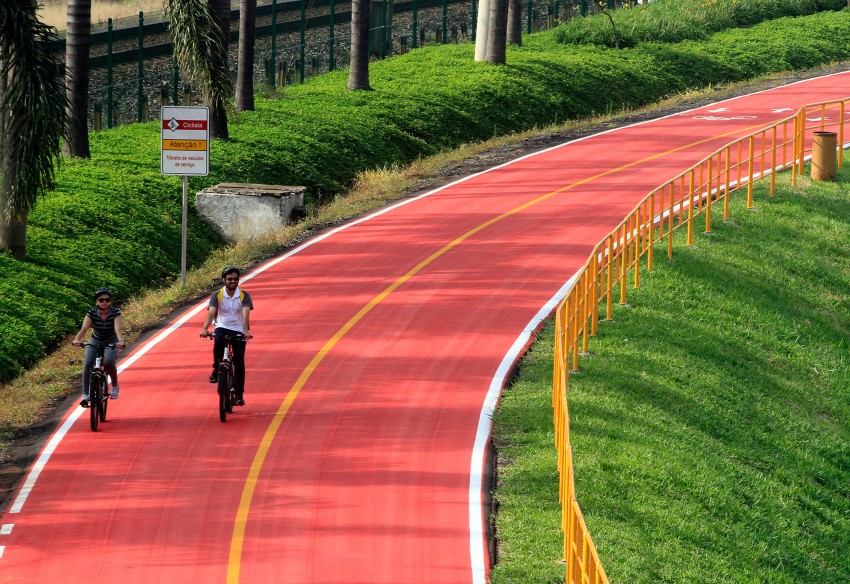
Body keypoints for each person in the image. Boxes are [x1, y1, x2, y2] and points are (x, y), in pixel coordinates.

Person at [200, 266, 253, 406]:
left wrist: (246, 330)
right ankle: (216, 368)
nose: (233, 281)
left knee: (239, 360)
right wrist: (205, 328)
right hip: (222, 327)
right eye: (229, 279)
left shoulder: (244, 296)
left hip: (238, 330)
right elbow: (211, 312)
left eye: (235, 279)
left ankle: (239, 393)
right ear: (224, 280)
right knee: (217, 342)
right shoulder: (217, 295)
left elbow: (245, 313)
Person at [72, 287, 125, 407]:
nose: (104, 302)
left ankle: (115, 386)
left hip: (112, 341)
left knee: (108, 362)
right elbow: (84, 328)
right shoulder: (91, 313)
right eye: (101, 300)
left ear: (110, 301)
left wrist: (120, 341)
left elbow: (118, 328)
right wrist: (77, 340)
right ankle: (86, 395)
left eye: (107, 299)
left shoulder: (115, 313)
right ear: (97, 301)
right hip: (95, 340)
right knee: (88, 363)